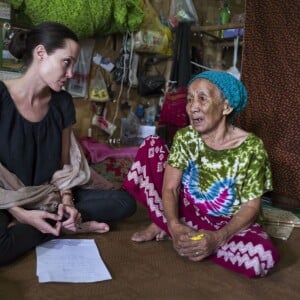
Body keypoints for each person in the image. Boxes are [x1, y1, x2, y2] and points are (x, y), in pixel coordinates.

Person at [0, 22, 136, 266]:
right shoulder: (1, 96)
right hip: (6, 196)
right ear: (41, 54)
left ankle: (55, 220)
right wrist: (21, 213)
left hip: (46, 194)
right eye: (66, 62)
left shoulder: (61, 102)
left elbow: (64, 167)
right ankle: (60, 226)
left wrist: (67, 202)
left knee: (123, 203)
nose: (71, 73)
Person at [123, 70, 280, 278]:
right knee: (151, 145)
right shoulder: (185, 138)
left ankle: (193, 236)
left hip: (228, 222)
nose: (192, 106)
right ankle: (175, 227)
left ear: (226, 107)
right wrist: (174, 224)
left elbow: (251, 206)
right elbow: (171, 188)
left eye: (202, 98)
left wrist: (219, 237)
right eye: (189, 99)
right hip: (188, 209)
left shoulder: (252, 148)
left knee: (262, 258)